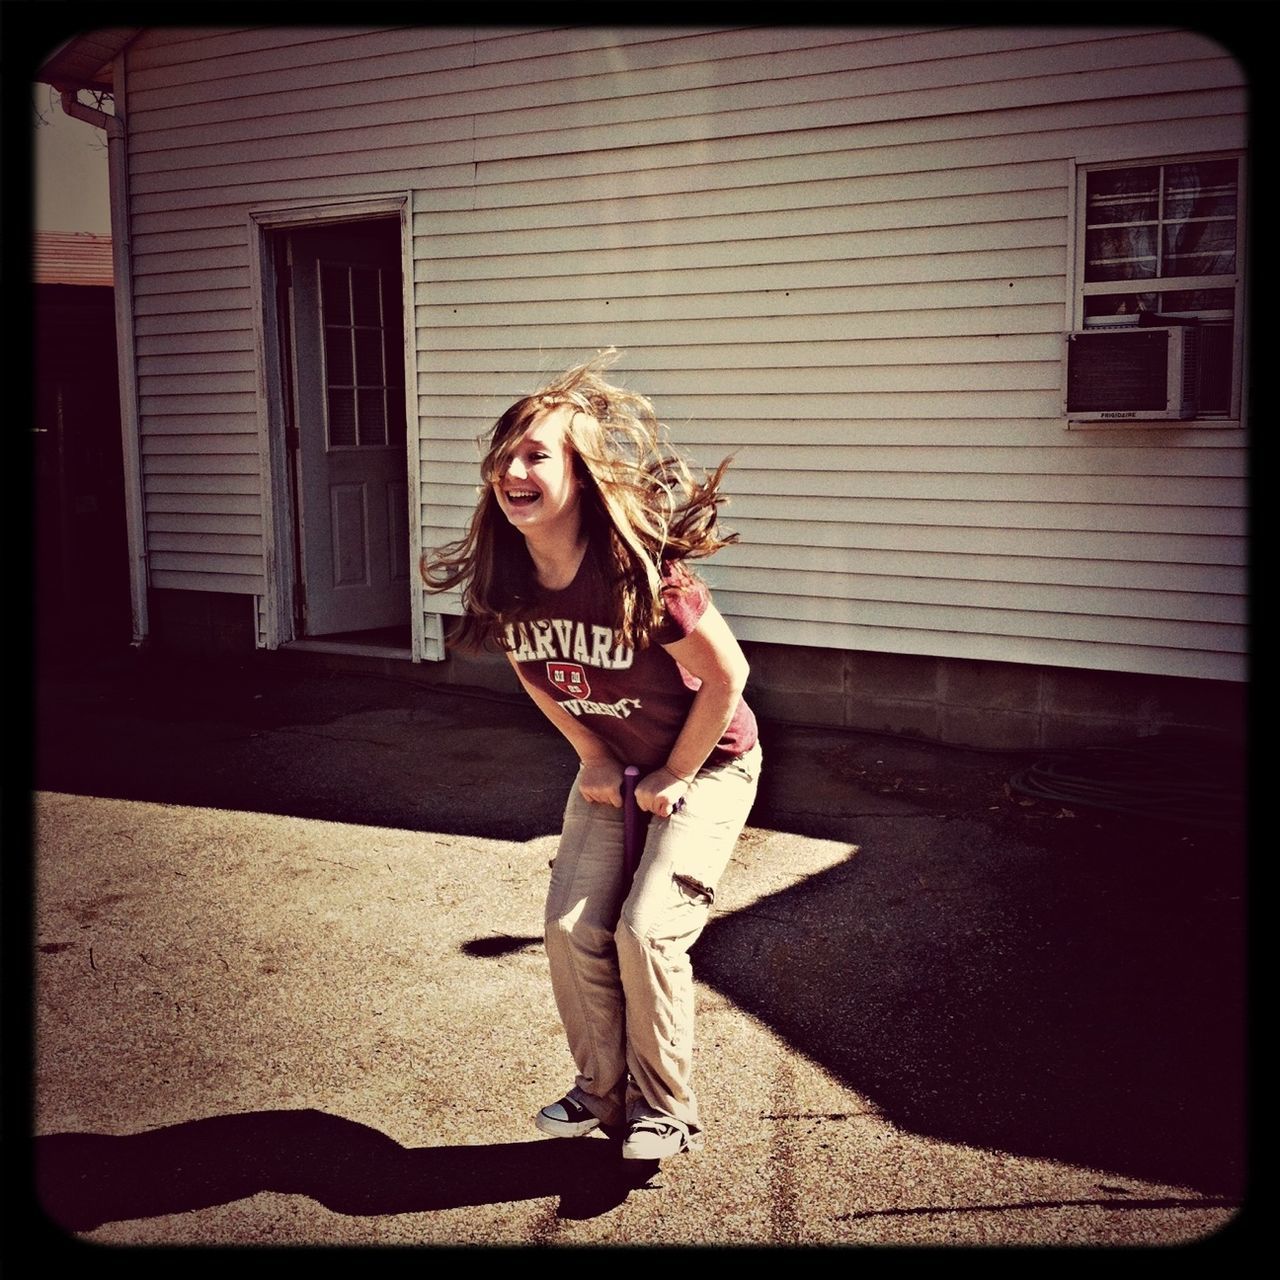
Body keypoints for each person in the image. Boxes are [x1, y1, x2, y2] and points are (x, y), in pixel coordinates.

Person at [421, 349, 761, 1161]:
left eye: (536, 453)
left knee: (646, 930)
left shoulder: (641, 576)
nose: (512, 468)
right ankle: (601, 1093)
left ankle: (667, 1110)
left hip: (709, 763)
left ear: (583, 474)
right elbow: (529, 669)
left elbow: (728, 677)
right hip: (612, 764)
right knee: (572, 927)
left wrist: (677, 771)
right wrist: (589, 751)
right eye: (504, 454)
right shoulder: (507, 577)